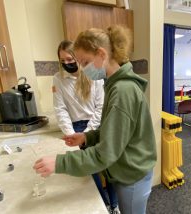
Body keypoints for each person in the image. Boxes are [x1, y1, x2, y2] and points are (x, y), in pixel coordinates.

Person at [34, 26, 157, 214]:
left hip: (132, 175)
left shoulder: (122, 92)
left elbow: (105, 153)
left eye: (85, 62)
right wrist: (87, 137)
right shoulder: (114, 85)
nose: (82, 68)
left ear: (101, 54)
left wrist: (59, 163)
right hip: (128, 168)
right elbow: (113, 131)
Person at [53, 40, 119, 213]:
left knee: (108, 166)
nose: (67, 63)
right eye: (63, 61)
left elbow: (100, 106)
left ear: (77, 57)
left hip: (97, 124)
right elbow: (60, 109)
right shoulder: (58, 79)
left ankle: (115, 205)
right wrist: (71, 134)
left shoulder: (92, 74)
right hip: (75, 128)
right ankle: (103, 205)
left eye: (70, 59)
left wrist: (88, 133)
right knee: (91, 171)